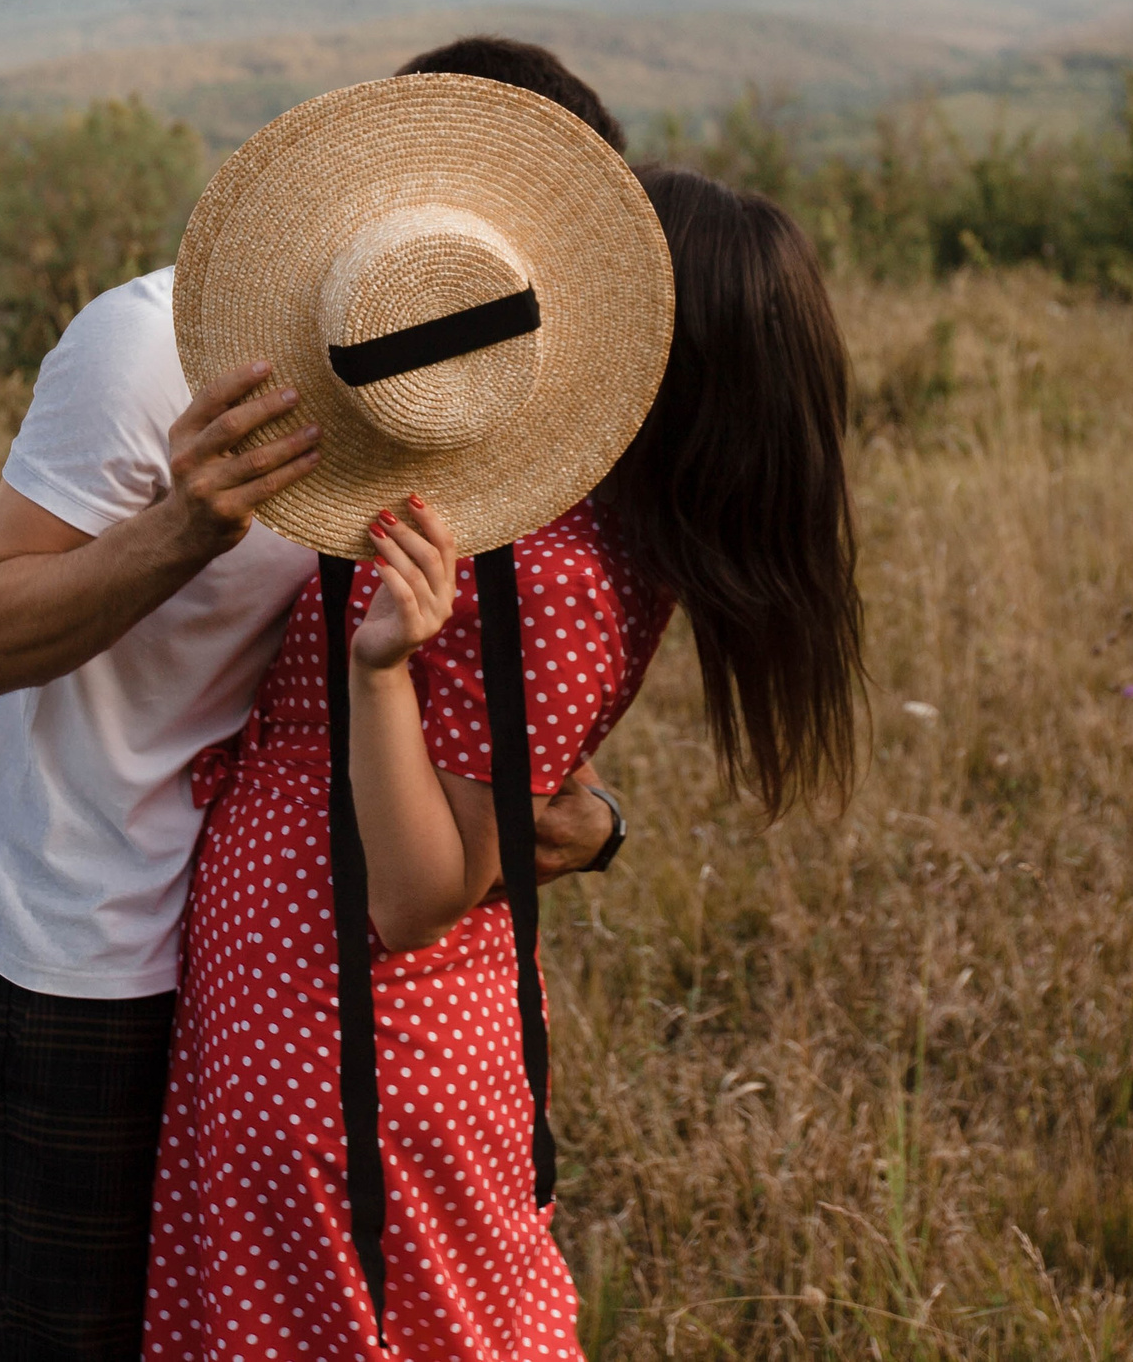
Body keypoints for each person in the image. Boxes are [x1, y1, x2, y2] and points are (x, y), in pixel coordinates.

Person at [0, 40, 634, 1362]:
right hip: (81, 947)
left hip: (264, 981)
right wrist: (180, 531)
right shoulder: (149, 346)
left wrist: (577, 823)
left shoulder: (476, 399)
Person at [142, 152, 865, 1361]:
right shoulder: (547, 512)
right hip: (305, 1022)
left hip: (348, 1043)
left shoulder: (557, 579)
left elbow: (420, 894)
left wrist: (375, 675)